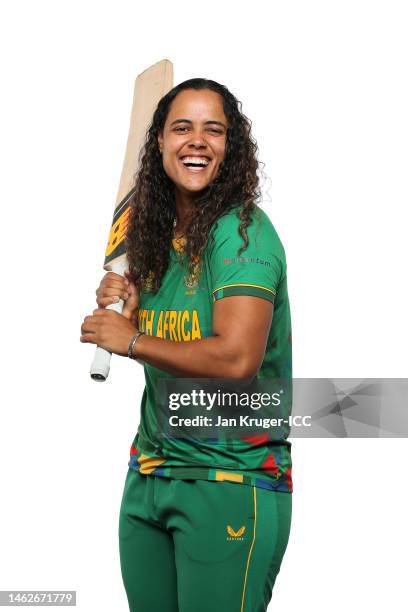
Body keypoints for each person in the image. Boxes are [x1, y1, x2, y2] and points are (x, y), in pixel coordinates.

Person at [80, 78, 293, 612]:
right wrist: (129, 306)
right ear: (158, 143)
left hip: (229, 479)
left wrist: (132, 341)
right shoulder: (156, 240)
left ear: (231, 148)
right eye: (182, 127)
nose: (196, 140)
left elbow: (236, 360)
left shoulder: (244, 234)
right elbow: (167, 347)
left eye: (213, 130)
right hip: (150, 474)